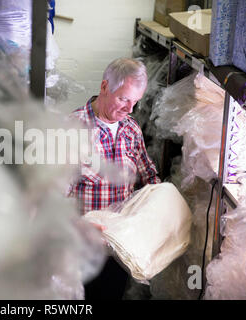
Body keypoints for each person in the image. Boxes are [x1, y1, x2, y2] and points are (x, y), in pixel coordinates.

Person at [67, 58, 161, 299]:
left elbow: (149, 176)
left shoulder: (131, 129)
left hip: (118, 251)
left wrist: (161, 202)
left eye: (135, 102)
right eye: (123, 99)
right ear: (104, 87)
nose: (129, 109)